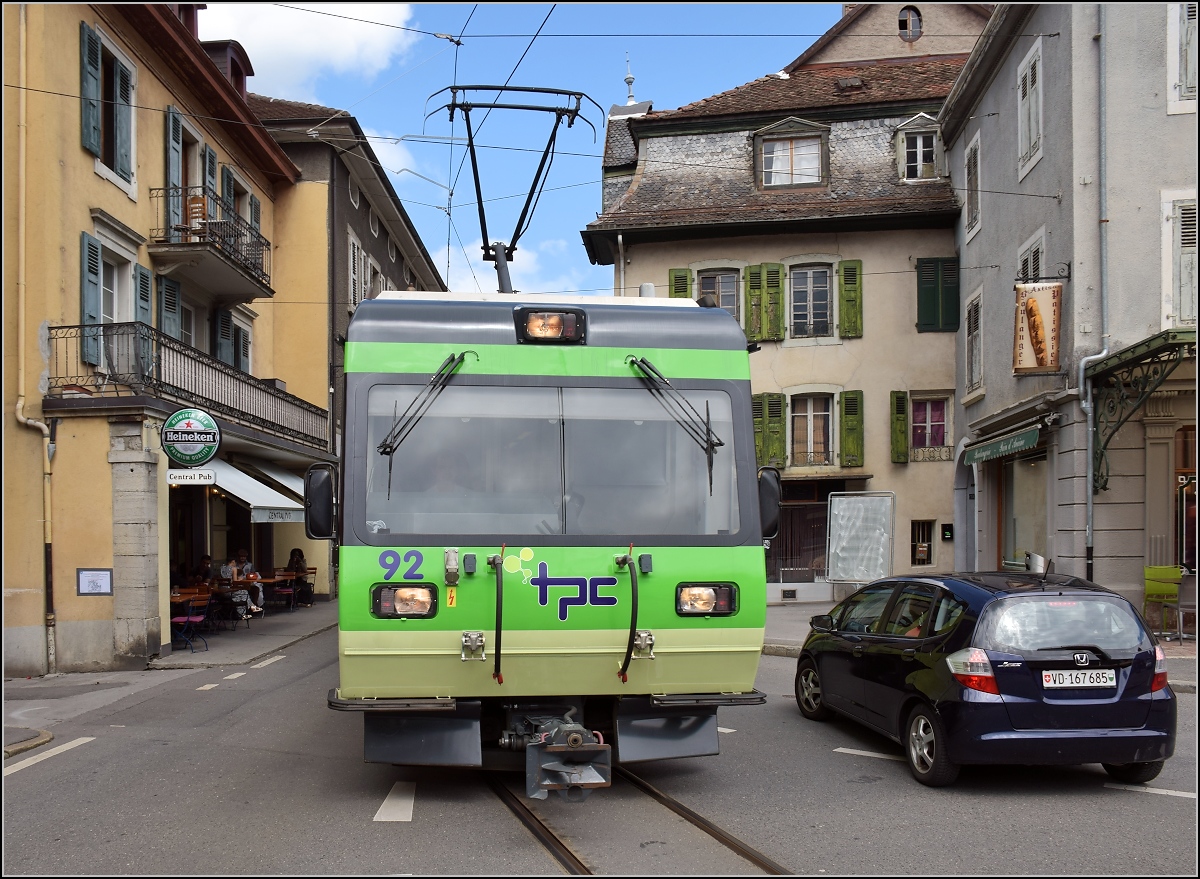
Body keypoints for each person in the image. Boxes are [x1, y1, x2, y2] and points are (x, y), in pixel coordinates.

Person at [221, 549, 263, 614]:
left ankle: (247, 610)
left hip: (222, 591)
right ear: (233, 561)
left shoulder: (222, 568)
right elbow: (235, 582)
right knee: (244, 592)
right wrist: (240, 579)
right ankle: (246, 611)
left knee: (244, 592)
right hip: (230, 591)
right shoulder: (234, 568)